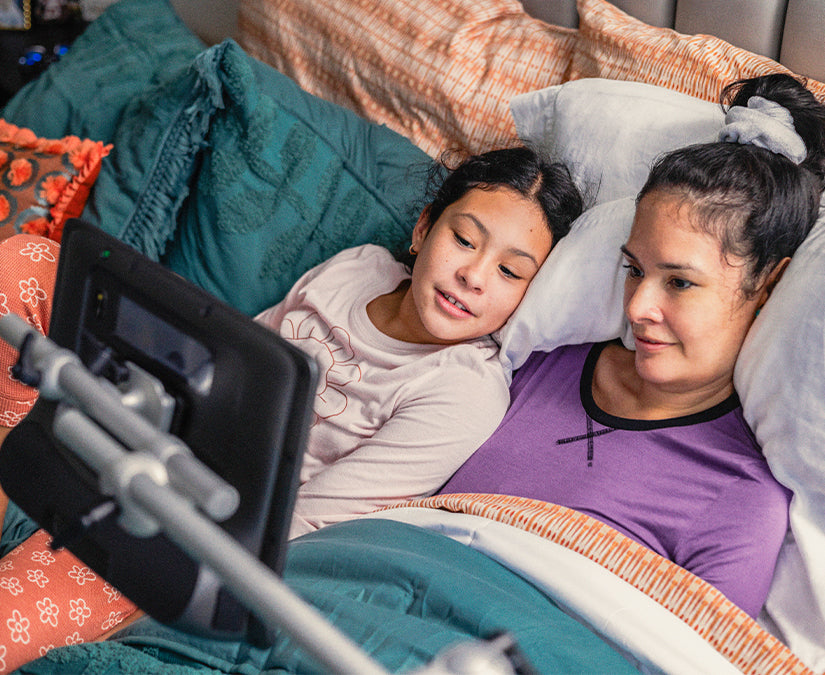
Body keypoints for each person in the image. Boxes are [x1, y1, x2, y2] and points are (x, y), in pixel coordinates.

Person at [0, 145, 584, 539]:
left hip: (200, 516)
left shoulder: (462, 391)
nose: (475, 276)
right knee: (30, 261)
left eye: (511, 272)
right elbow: (233, 353)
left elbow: (304, 524)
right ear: (424, 227)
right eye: (464, 239)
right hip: (163, 415)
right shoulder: (361, 268)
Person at [440, 73, 825, 619]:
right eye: (633, 269)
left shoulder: (740, 499)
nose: (638, 306)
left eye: (679, 281)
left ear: (766, 285)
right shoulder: (530, 368)